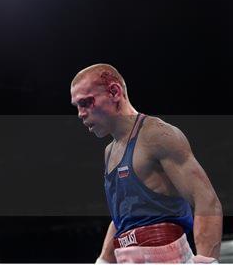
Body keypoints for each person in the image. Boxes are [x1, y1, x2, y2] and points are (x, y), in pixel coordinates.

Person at [70, 64, 222, 263]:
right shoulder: (109, 152)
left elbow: (206, 200)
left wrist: (206, 260)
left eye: (86, 102)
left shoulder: (157, 135)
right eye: (77, 106)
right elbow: (125, 216)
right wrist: (104, 260)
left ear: (114, 92)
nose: (80, 113)